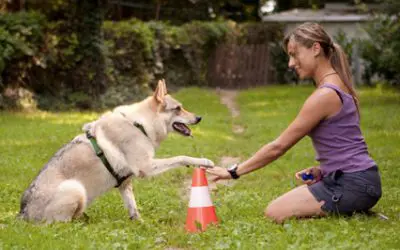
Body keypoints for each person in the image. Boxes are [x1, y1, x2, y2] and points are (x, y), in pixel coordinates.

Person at [206, 22, 382, 223]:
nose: (290, 63)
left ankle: (351, 210)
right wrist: (323, 171)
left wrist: (233, 172)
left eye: (294, 54)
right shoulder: (337, 85)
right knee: (282, 207)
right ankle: (352, 207)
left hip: (353, 184)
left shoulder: (325, 95)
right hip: (359, 179)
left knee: (275, 212)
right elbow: (345, 143)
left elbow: (278, 147)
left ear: (316, 48)